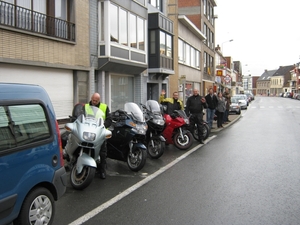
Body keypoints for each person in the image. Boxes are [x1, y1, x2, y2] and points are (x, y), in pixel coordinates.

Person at [83, 93, 112, 179]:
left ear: (99, 100)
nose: (94, 102)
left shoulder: (104, 107)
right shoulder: (85, 106)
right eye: (93, 100)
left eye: (96, 100)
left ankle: (102, 171)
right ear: (91, 98)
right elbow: (80, 117)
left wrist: (103, 126)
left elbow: (109, 119)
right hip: (88, 131)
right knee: (84, 148)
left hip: (100, 133)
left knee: (102, 152)